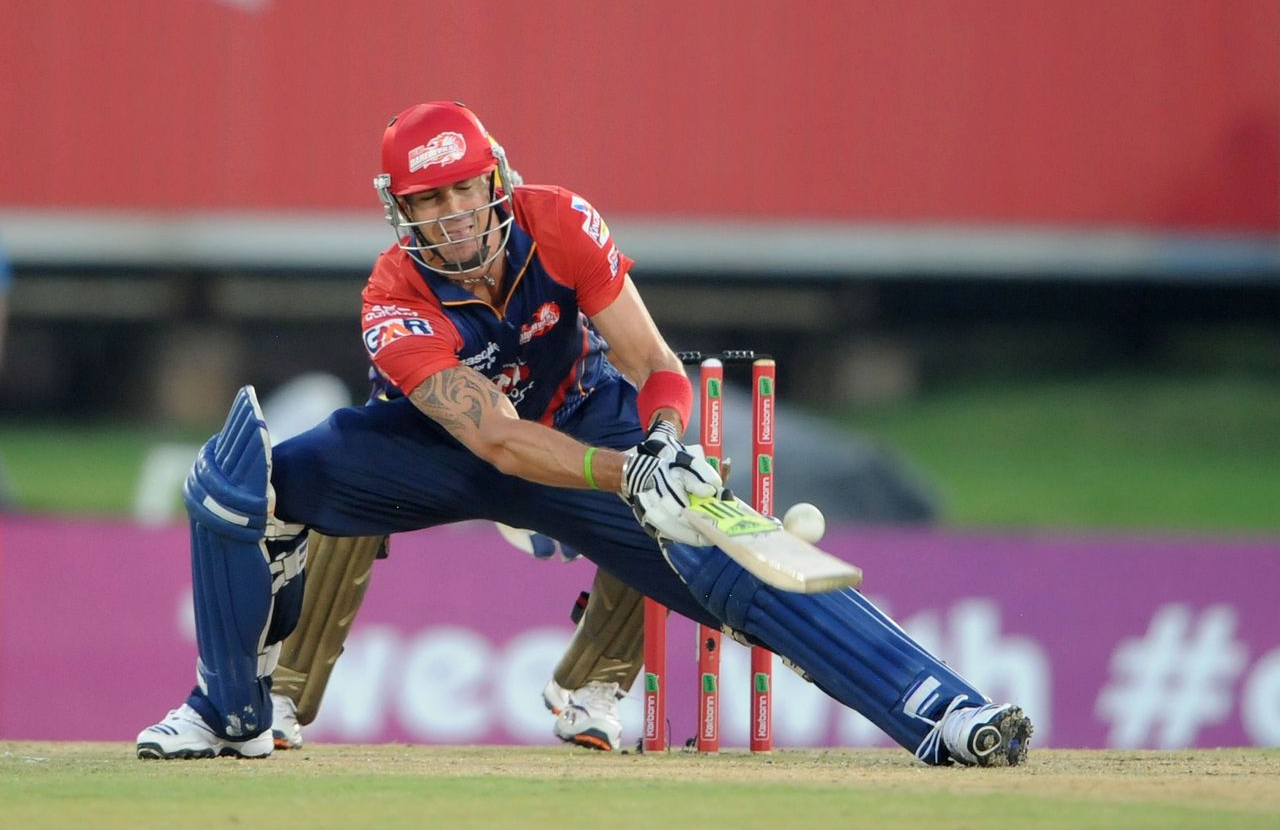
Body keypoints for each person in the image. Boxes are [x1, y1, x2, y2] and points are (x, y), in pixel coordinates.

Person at [137, 101, 1033, 766]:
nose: (450, 215)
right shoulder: (391, 297)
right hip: (434, 453)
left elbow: (653, 363)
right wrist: (625, 473)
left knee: (735, 562)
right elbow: (494, 442)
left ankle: (945, 714)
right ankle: (233, 710)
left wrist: (668, 443)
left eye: (462, 189)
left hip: (582, 412)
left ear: (496, 178)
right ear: (398, 212)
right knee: (236, 486)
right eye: (426, 200)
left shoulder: (559, 221)